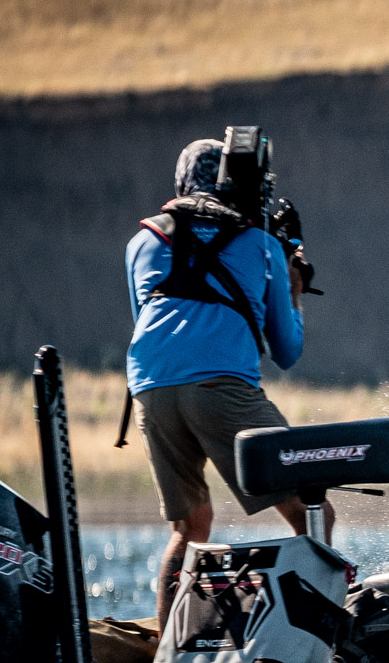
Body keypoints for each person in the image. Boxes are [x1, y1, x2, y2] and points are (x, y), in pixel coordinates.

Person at [126, 137, 333, 633]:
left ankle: (166, 659)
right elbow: (286, 351)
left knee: (189, 530)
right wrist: (293, 289)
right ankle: (313, 644)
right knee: (313, 513)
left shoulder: (141, 242)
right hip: (221, 388)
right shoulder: (261, 245)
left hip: (151, 390)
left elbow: (147, 323)